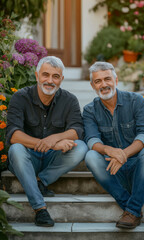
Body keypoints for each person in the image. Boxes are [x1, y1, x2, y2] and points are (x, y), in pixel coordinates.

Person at [6, 56, 88, 227]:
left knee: (80, 147)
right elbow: (14, 135)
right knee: (16, 149)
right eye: (45, 75)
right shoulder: (20, 97)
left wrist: (54, 140)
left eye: (55, 76)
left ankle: (40, 181)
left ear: (61, 79)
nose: (50, 81)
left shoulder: (69, 100)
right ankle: (40, 208)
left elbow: (77, 131)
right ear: (37, 76)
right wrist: (47, 143)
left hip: (52, 158)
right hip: (26, 159)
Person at [83, 61, 144, 229]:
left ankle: (131, 211)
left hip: (141, 171)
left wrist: (123, 154)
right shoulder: (90, 110)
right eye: (98, 81)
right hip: (113, 172)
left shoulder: (136, 101)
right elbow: (91, 139)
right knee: (90, 156)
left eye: (107, 79)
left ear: (116, 80)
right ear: (92, 85)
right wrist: (108, 150)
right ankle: (132, 209)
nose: (104, 84)